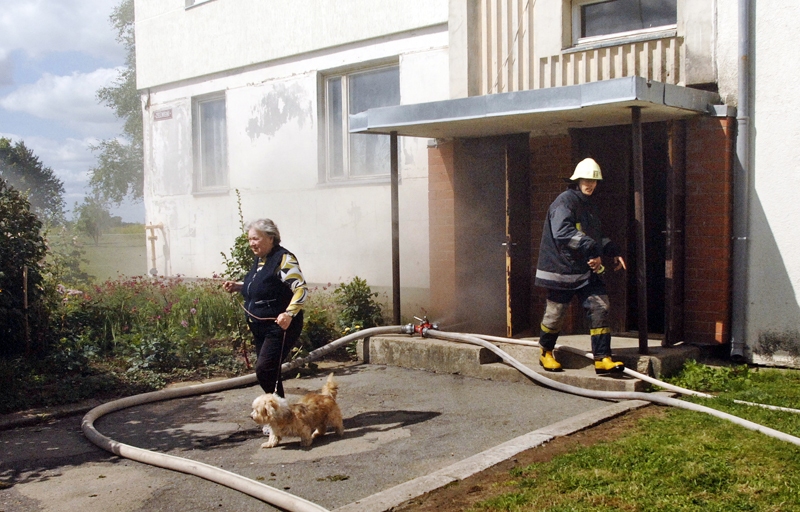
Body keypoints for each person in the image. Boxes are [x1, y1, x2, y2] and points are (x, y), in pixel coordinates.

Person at [534, 158, 627, 375]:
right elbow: (563, 233)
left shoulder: (589, 205)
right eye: (586, 179)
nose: (590, 184)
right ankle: (545, 352)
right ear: (577, 180)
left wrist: (612, 250)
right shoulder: (564, 202)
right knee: (555, 315)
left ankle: (603, 359)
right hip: (561, 271)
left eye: (594, 180)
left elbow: (594, 235)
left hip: (585, 272)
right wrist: (593, 251)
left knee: (600, 307)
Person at [223, 218, 307, 397]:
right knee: (271, 373)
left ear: (270, 237)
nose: (252, 244)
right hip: (261, 328)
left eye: (256, 238)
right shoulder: (260, 260)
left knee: (265, 370)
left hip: (280, 326)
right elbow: (263, 286)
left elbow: (300, 289)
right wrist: (238, 286)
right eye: (250, 239)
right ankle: (281, 416)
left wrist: (289, 314)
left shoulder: (283, 259)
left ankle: (279, 415)